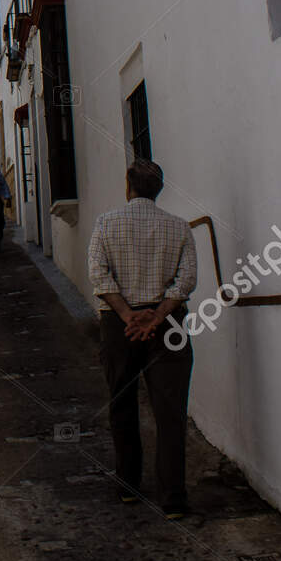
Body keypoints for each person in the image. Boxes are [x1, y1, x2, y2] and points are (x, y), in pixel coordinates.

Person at [87, 158, 198, 517]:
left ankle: (129, 485)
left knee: (122, 403)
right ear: (159, 189)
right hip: (168, 326)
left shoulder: (106, 223)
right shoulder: (179, 227)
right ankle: (173, 498)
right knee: (170, 411)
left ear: (128, 185)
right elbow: (186, 280)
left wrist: (127, 316)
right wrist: (158, 316)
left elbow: (99, 275)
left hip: (119, 326)